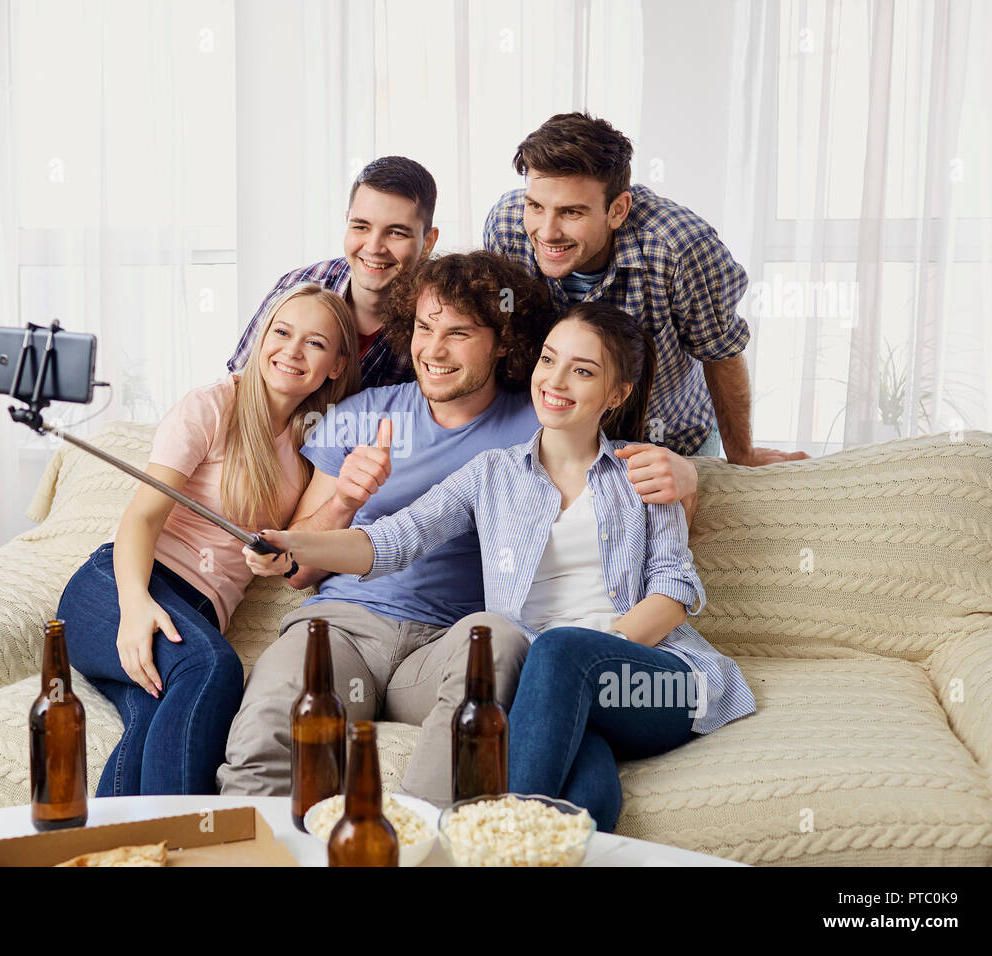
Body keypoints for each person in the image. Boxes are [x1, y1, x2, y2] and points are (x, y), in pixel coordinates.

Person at [249, 299, 756, 830]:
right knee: (588, 799)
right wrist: (294, 543)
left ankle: (461, 842)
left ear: (617, 393)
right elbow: (394, 540)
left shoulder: (646, 471)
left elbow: (674, 588)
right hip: (548, 688)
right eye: (548, 360)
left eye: (582, 371)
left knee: (559, 651)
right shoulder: (491, 474)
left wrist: (598, 650)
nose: (555, 381)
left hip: (647, 677)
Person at [55, 284, 360, 796]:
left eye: (314, 343)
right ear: (262, 337)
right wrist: (135, 607)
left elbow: (305, 554)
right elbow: (141, 518)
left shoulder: (314, 443)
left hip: (193, 615)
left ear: (335, 364)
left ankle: (111, 851)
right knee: (213, 666)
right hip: (116, 588)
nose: (291, 350)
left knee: (149, 723)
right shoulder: (211, 407)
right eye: (282, 332)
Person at [484, 110, 810, 467]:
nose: (547, 232)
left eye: (571, 213)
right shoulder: (506, 227)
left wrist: (741, 455)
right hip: (562, 436)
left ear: (618, 210)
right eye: (535, 205)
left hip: (669, 437)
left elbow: (720, 352)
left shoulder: (681, 247)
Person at [227, 156, 440, 390]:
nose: (373, 247)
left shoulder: (438, 317)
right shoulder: (297, 288)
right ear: (347, 221)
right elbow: (237, 385)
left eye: (397, 233)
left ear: (428, 242)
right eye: (361, 227)